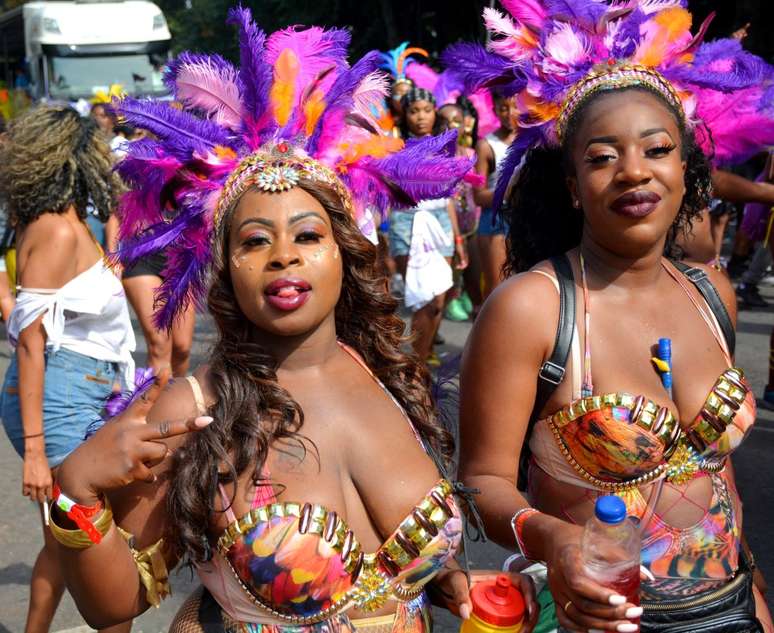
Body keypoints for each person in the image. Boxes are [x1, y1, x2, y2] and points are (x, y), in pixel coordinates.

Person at [48, 13, 537, 633]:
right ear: (226, 268)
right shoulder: (195, 406)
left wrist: (449, 585)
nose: (284, 255)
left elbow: (386, 576)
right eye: (255, 241)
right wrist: (76, 491)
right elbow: (117, 603)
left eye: (308, 235)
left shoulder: (387, 372)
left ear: (344, 251)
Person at [448, 2, 774, 631]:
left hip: (729, 606)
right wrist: (550, 540)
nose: (633, 171)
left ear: (686, 168)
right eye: (601, 157)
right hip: (593, 616)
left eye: (657, 149)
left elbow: (714, 464)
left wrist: (751, 580)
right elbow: (483, 480)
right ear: (571, 185)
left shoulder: (713, 294)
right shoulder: (533, 306)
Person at [0, 105, 135, 633]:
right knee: (101, 550)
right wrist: (35, 452)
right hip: (61, 397)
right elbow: (30, 345)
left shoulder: (68, 222)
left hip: (78, 388)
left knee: (68, 539)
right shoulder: (55, 231)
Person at [389, 88, 468, 364]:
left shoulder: (445, 147)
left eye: (426, 110)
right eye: (413, 111)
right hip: (406, 223)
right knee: (423, 298)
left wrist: (458, 239)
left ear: (435, 112)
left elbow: (447, 198)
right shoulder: (395, 145)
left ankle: (420, 357)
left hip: (441, 222)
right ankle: (417, 367)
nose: (420, 117)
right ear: (404, 115)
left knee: (439, 300)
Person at [437, 103, 482, 322]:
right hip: (448, 226)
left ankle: (471, 305)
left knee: (475, 272)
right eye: (445, 121)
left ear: (465, 123)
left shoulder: (472, 154)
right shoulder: (437, 159)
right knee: (449, 277)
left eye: (456, 120)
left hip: (473, 224)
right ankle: (446, 306)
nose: (451, 125)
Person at [472, 93, 517, 299]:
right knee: (497, 292)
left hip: (526, 218)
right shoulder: (486, 146)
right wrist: (511, 190)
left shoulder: (534, 140)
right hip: (495, 221)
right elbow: (478, 196)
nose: (509, 114)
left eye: (515, 107)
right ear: (495, 110)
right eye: (503, 108)